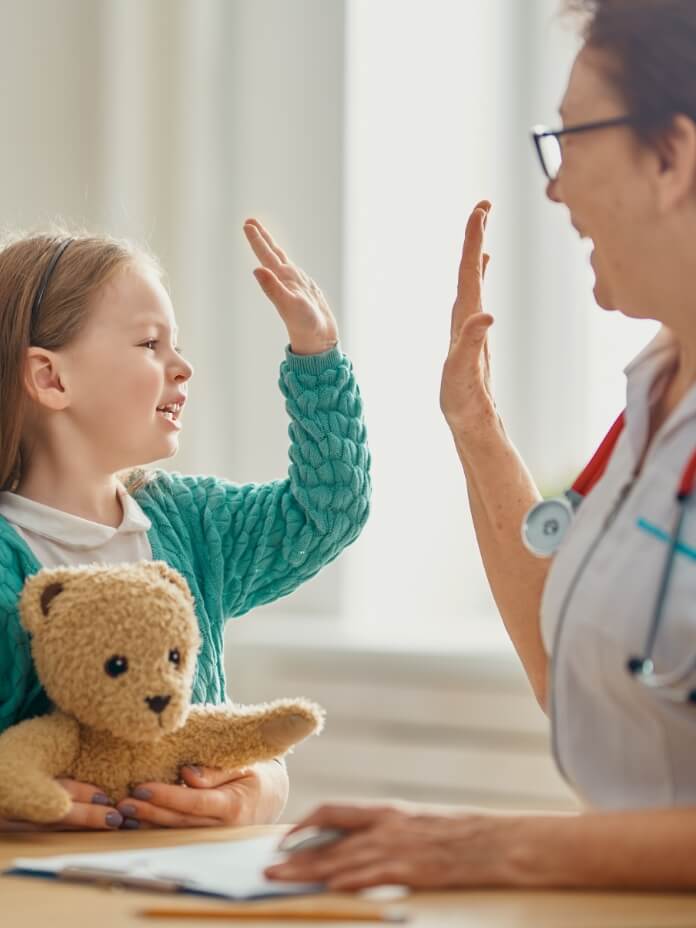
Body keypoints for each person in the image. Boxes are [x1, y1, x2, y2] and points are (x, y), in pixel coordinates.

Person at [266, 0, 696, 891]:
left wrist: (484, 847)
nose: (554, 187)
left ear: (671, 158)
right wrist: (474, 424)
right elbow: (578, 690)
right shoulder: (654, 402)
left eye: (573, 137)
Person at [0, 219, 371, 832]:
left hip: (189, 882)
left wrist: (317, 356)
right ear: (50, 378)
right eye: (150, 344)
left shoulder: (193, 524)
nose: (182, 366)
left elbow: (328, 508)